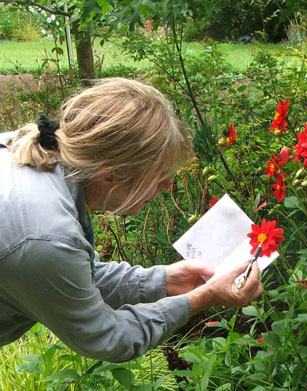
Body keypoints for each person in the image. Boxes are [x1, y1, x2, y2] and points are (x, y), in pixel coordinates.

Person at [0, 78, 263, 362]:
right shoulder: (45, 236)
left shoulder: (35, 150)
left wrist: (161, 281)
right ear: (110, 174)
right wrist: (202, 298)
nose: (166, 185)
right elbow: (108, 338)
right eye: (158, 173)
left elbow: (80, 277)